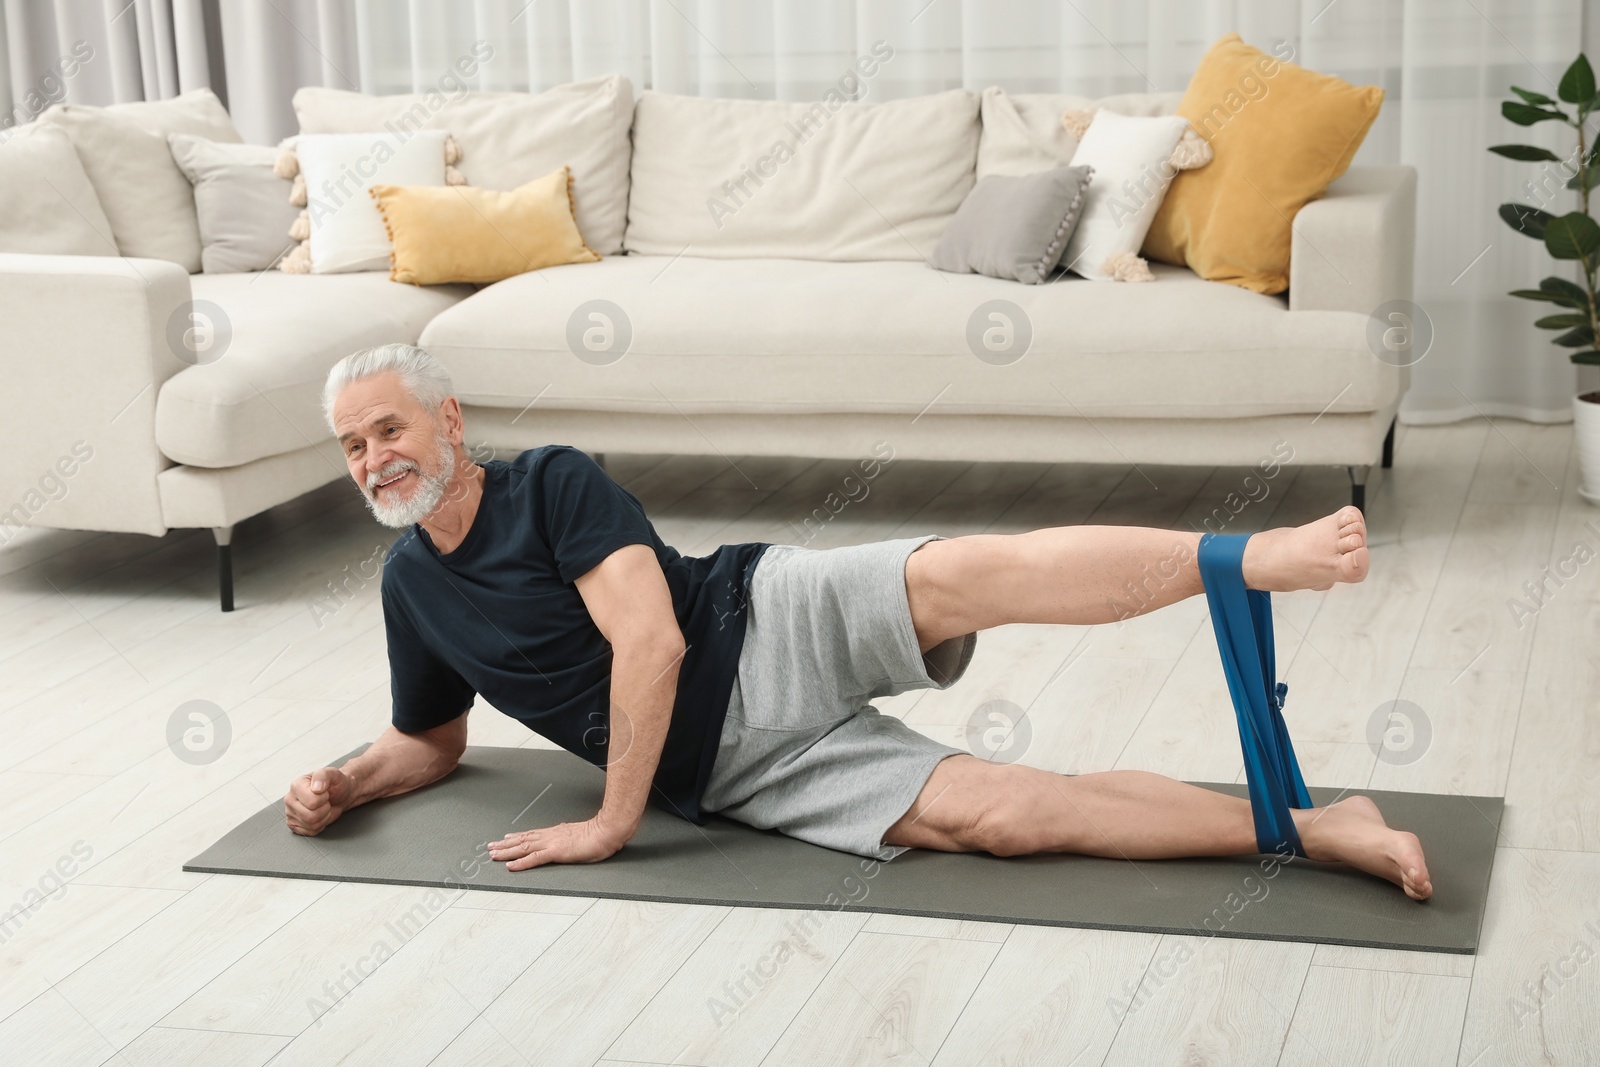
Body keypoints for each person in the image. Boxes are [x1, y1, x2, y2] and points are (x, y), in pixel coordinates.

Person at [284, 343, 1432, 902]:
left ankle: (1250, 556)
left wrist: (607, 823)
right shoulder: (408, 583)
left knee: (981, 572)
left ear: (446, 417)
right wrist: (346, 779)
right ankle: (1313, 828)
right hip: (744, 772)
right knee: (1013, 817)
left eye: (387, 428)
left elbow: (652, 641)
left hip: (760, 619)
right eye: (352, 446)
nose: (374, 460)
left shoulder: (551, 483)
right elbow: (428, 739)